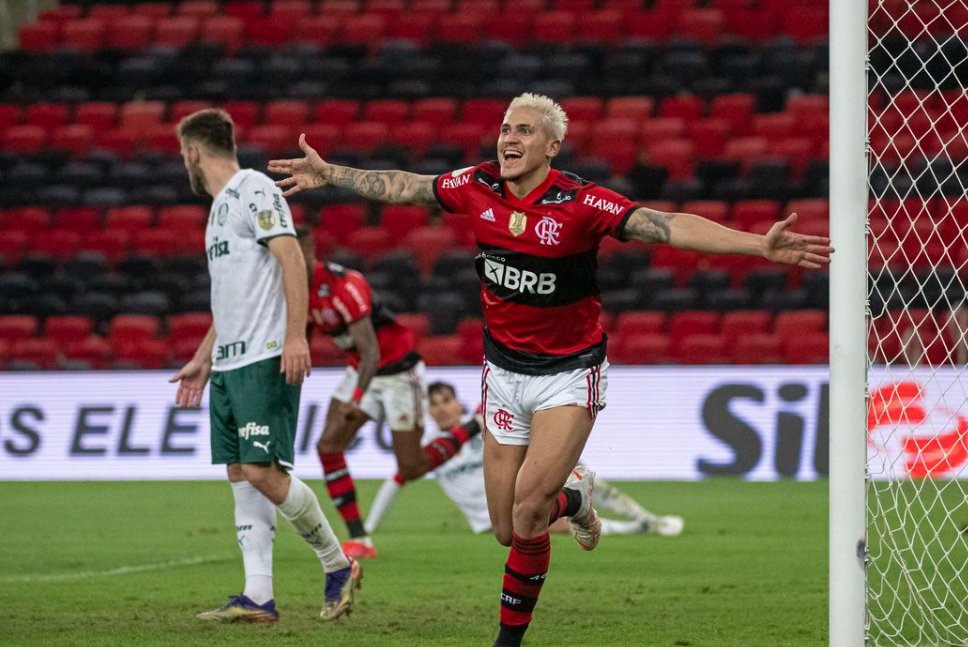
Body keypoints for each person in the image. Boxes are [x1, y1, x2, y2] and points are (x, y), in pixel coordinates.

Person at [269, 93, 833, 646]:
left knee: (530, 507)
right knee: (507, 529)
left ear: (553, 146)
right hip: (503, 373)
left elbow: (666, 224)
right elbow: (406, 187)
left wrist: (759, 245)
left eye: (524, 131)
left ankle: (508, 640)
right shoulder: (477, 185)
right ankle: (578, 498)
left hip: (569, 371)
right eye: (506, 128)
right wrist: (332, 173)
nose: (509, 138)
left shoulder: (582, 203)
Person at [168, 109, 360, 625]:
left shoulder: (254, 187)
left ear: (193, 151)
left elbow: (291, 258)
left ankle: (337, 564)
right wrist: (203, 358)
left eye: (182, 153)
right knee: (240, 473)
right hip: (230, 363)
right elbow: (231, 296)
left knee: (260, 470)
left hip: (263, 355)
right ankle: (258, 597)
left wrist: (296, 335)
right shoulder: (216, 212)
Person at [295, 224, 480, 560]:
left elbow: (372, 352)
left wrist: (354, 401)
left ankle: (471, 427)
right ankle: (358, 538)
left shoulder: (343, 286)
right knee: (327, 445)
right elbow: (305, 330)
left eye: (293, 256)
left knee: (411, 467)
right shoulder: (294, 288)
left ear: (308, 252)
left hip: (397, 371)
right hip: (361, 370)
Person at [363, 381, 684, 538]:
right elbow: (397, 481)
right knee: (551, 522)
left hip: (521, 492)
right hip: (492, 517)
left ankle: (645, 519)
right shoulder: (433, 449)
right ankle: (631, 528)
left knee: (577, 474)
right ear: (428, 412)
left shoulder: (489, 423)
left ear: (457, 402)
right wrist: (368, 528)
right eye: (434, 404)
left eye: (446, 400)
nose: (442, 408)